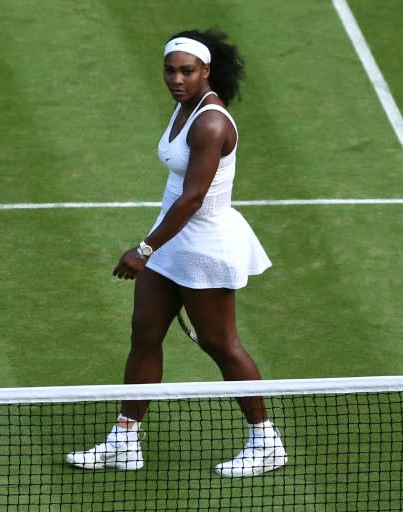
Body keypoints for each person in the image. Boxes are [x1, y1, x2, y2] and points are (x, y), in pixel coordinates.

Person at [66, 28, 287, 478]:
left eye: (187, 71)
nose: (176, 78)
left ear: (206, 71)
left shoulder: (210, 122)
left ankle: (266, 441)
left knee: (220, 344)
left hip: (202, 247)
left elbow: (193, 198)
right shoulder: (184, 108)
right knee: (145, 333)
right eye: (170, 70)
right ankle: (124, 439)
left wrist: (144, 249)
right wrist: (156, 246)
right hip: (171, 242)